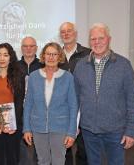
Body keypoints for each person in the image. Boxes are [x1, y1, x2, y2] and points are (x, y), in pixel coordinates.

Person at [73, 23, 134, 165]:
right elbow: (75, 99)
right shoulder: (80, 65)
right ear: (89, 42)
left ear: (109, 39)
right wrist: (73, 125)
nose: (97, 42)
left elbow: (133, 100)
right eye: (93, 39)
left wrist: (131, 131)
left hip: (115, 132)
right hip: (89, 131)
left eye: (101, 38)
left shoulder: (123, 65)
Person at [23, 42, 78, 165]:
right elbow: (28, 105)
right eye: (48, 54)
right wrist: (26, 129)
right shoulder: (33, 76)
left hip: (60, 127)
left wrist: (71, 132)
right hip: (37, 127)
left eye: (54, 54)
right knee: (42, 161)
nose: (51, 57)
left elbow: (73, 106)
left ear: (59, 57)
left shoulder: (68, 77)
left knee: (58, 161)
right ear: (43, 56)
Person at [59, 22, 90, 165]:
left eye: (69, 31)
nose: (66, 34)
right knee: (63, 148)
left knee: (83, 149)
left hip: (83, 107)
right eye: (63, 32)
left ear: (76, 33)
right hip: (62, 108)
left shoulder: (88, 53)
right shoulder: (55, 54)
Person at [18, 36, 42, 165]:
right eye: (25, 46)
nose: (28, 49)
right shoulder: (14, 66)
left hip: (39, 112)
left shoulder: (43, 65)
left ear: (36, 48)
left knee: (40, 146)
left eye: (31, 46)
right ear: (21, 49)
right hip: (19, 112)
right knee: (21, 147)